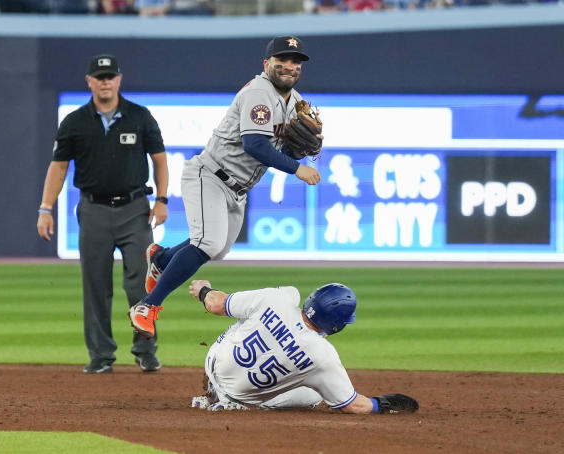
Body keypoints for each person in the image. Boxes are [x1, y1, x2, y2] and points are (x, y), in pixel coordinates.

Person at [128, 35, 322, 339]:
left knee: (216, 248)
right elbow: (255, 144)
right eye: (282, 60)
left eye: (295, 62)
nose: (289, 66)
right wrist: (298, 167)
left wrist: (299, 150)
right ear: (267, 64)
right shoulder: (260, 93)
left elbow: (284, 146)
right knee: (206, 243)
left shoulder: (295, 102)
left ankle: (160, 259)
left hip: (237, 188)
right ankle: (147, 306)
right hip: (211, 175)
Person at [37, 54, 169, 374]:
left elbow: (160, 159)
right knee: (95, 284)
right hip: (93, 209)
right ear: (89, 82)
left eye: (110, 76)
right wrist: (45, 208)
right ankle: (100, 355)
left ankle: (145, 349)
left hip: (135, 209)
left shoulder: (140, 116)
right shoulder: (74, 122)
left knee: (141, 283)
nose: (105, 81)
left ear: (119, 80)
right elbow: (58, 168)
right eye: (100, 77)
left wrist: (162, 199)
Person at [188, 279, 419, 413]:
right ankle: (233, 401)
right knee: (314, 392)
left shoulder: (279, 298)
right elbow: (353, 405)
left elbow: (217, 305)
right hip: (243, 397)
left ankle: (214, 387)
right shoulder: (323, 356)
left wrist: (203, 290)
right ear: (337, 326)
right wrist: (382, 403)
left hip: (214, 363)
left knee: (245, 320)